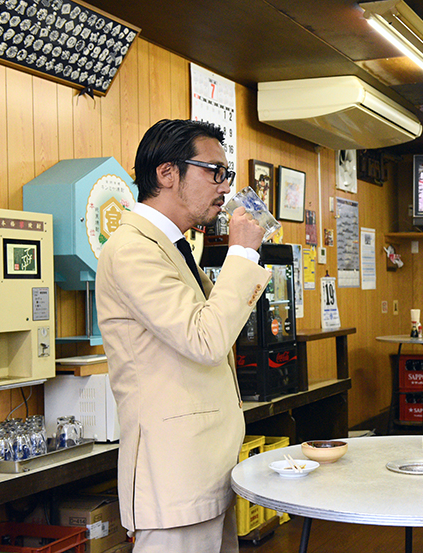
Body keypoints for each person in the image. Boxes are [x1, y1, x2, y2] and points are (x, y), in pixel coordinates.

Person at [96, 119, 272, 553]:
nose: (224, 187)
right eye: (214, 171)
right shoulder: (133, 248)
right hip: (174, 477)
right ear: (167, 173)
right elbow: (206, 340)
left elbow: (216, 324)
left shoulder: (173, 247)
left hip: (206, 469)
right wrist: (243, 252)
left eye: (227, 175)